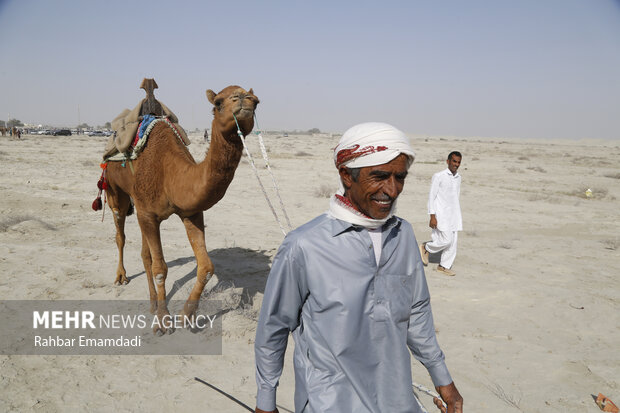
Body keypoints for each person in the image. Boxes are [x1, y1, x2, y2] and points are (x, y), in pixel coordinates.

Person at [254, 123, 463, 413]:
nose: (391, 190)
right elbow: (274, 327)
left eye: (399, 177)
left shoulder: (402, 235)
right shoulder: (304, 245)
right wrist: (266, 401)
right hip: (329, 403)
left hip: (397, 400)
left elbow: (417, 314)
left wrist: (443, 380)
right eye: (379, 177)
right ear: (346, 175)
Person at [419, 152, 463, 277]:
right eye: (454, 161)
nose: (456, 164)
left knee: (453, 242)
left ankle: (443, 266)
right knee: (446, 240)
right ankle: (426, 247)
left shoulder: (458, 178)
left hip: (454, 214)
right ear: (448, 161)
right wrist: (432, 215)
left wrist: (456, 214)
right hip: (441, 214)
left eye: (458, 162)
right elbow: (431, 196)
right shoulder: (439, 176)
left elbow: (456, 197)